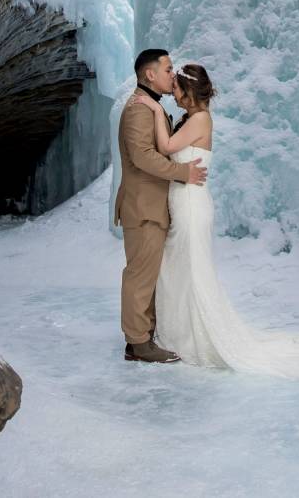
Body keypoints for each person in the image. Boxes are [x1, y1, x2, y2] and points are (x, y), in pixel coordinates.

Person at [131, 62, 299, 377]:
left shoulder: (200, 119)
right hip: (183, 202)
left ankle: (195, 337)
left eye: (177, 89)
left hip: (191, 205)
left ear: (190, 92)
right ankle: (179, 334)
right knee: (178, 269)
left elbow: (166, 147)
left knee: (191, 270)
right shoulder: (193, 119)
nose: (173, 94)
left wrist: (153, 110)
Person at [115, 48, 207, 364]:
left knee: (149, 275)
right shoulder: (139, 109)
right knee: (140, 276)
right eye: (168, 69)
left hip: (152, 206)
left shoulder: (150, 106)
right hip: (143, 207)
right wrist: (183, 173)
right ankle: (138, 343)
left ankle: (143, 337)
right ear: (150, 74)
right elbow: (142, 156)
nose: (173, 75)